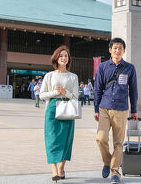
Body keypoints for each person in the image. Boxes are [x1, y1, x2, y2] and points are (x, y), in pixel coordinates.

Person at [94, 37, 138, 184]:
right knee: (100, 139)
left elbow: (134, 91)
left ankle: (115, 173)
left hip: (121, 108)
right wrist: (95, 109)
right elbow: (97, 89)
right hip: (104, 107)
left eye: (120, 48)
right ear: (110, 50)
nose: (117, 50)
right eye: (115, 48)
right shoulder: (102, 67)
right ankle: (107, 162)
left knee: (118, 143)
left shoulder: (130, 68)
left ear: (124, 51)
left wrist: (134, 110)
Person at [40, 45, 78, 182]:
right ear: (56, 58)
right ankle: (54, 169)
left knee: (66, 140)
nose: (63, 58)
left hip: (68, 109)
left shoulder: (73, 77)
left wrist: (65, 92)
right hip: (52, 108)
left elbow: (75, 97)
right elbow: (41, 95)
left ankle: (62, 166)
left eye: (66, 56)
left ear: (69, 59)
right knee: (52, 139)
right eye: (61, 56)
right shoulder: (49, 75)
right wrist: (56, 92)